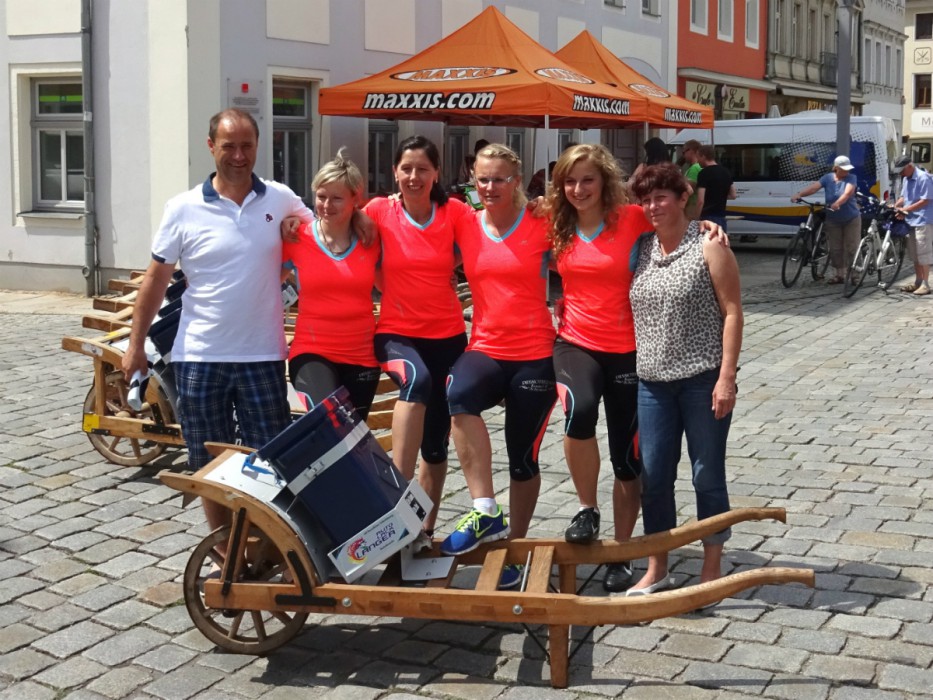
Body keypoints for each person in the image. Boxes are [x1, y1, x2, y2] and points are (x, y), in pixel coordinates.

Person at [121, 108, 315, 533]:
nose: (239, 156)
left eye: (247, 146)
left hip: (262, 354)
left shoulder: (280, 198)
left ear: (257, 147)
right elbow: (155, 281)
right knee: (209, 463)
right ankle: (224, 550)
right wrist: (135, 346)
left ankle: (263, 543)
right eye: (230, 146)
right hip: (199, 356)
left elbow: (326, 238)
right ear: (211, 147)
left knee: (269, 459)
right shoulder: (183, 208)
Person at [441, 143, 557, 590]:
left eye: (500, 179)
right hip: (485, 347)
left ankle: (516, 549)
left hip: (535, 353)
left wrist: (698, 224)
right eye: (483, 179)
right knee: (458, 394)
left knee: (521, 457)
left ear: (517, 180)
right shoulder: (466, 225)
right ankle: (486, 509)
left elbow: (601, 222)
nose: (491, 187)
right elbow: (417, 243)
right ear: (473, 180)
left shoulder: (541, 220)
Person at [627, 163, 743, 596]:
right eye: (646, 199)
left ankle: (711, 566)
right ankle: (658, 566)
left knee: (706, 473)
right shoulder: (640, 247)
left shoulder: (710, 245)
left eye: (661, 197)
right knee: (653, 476)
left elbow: (733, 312)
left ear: (682, 199)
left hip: (702, 380)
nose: (653, 206)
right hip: (652, 383)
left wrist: (726, 377)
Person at [546, 144, 647, 593]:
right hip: (575, 343)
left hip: (628, 349)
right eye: (569, 181)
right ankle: (587, 508)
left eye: (587, 179)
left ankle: (622, 553)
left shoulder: (632, 219)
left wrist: (709, 229)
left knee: (628, 457)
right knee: (578, 410)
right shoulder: (554, 224)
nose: (578, 189)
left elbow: (678, 223)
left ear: (605, 180)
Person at [364, 135, 474, 535]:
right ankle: (395, 492)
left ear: (436, 173)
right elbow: (339, 229)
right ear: (395, 171)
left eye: (422, 169)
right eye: (406, 168)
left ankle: (423, 530)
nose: (413, 176)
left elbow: (479, 242)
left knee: (436, 441)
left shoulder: (454, 212)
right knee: (418, 382)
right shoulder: (378, 210)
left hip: (447, 336)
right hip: (397, 334)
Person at [284, 149, 381, 418]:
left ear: (355, 199)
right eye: (321, 196)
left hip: (362, 353)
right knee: (332, 421)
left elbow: (393, 282)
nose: (327, 205)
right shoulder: (296, 238)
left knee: (353, 436)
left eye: (337, 198)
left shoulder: (371, 240)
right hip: (312, 351)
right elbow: (266, 283)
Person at [791, 155, 861, 285]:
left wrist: (838, 203)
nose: (846, 171)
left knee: (852, 247)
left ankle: (855, 275)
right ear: (836, 168)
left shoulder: (851, 178)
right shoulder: (828, 178)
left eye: (847, 169)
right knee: (835, 249)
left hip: (851, 218)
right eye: (843, 169)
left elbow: (847, 193)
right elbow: (813, 188)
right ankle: (839, 275)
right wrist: (799, 194)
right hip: (833, 219)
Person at [892, 154, 933, 296]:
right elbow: (904, 197)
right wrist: (896, 206)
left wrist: (906, 209)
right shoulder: (906, 179)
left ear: (910, 166)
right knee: (915, 254)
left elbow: (925, 200)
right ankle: (918, 281)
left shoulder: (923, 177)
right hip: (910, 220)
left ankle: (926, 284)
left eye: (902, 170)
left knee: (923, 253)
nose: (901, 174)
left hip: (923, 220)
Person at [695, 144, 737, 232]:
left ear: (703, 156)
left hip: (707, 217)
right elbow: (733, 195)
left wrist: (696, 219)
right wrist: (719, 196)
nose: (697, 161)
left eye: (698, 157)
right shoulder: (726, 171)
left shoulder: (704, 173)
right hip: (721, 217)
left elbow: (700, 201)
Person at [681, 139, 702, 219]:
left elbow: (689, 189)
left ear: (691, 151)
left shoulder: (694, 168)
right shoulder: (700, 166)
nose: (683, 156)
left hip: (692, 207)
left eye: (684, 152)